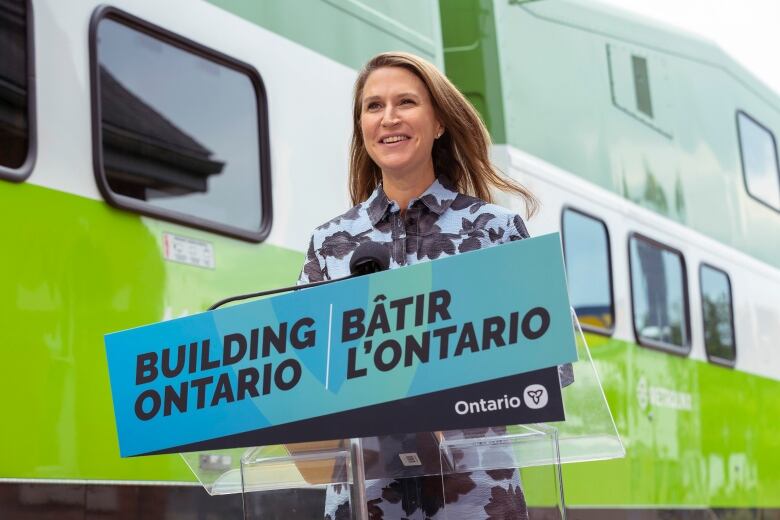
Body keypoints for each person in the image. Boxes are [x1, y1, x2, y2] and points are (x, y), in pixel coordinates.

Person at [298, 51, 539, 520]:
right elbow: (306, 374)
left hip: (474, 502)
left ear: (439, 122)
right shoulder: (329, 243)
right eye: (373, 106)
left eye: (406, 102)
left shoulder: (494, 230)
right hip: (364, 503)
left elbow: (548, 369)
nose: (389, 118)